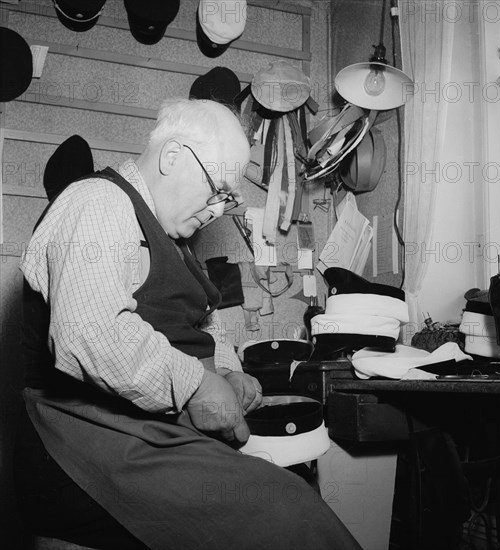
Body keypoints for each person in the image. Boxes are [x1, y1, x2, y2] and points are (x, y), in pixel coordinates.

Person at [15, 98, 363, 550]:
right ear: (173, 156)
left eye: (228, 199)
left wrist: (226, 371)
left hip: (146, 428)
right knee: (288, 512)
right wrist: (196, 385)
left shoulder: (172, 238)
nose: (218, 211)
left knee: (294, 484)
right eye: (217, 190)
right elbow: (88, 333)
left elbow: (203, 321)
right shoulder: (96, 202)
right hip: (88, 435)